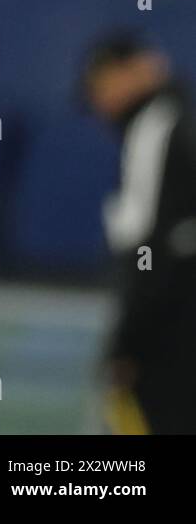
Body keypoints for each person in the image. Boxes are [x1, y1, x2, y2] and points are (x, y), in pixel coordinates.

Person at [81, 30, 196, 434]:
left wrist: (126, 345)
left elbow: (152, 247)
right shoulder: (176, 120)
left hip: (173, 333)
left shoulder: (155, 128)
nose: (99, 102)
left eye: (102, 84)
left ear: (138, 69)